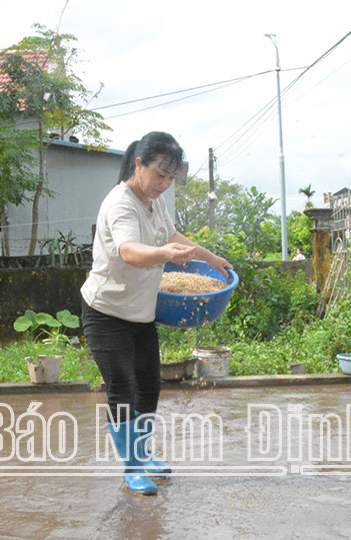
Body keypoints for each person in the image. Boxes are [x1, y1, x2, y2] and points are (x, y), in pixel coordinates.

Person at [80, 131, 232, 496]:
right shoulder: (121, 204)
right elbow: (131, 251)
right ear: (139, 164)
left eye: (170, 178)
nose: (164, 184)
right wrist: (165, 253)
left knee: (149, 386)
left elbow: (173, 234)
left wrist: (209, 257)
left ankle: (143, 455)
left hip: (140, 313)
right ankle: (132, 468)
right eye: (160, 174)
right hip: (106, 312)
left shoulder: (154, 202)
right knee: (123, 388)